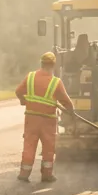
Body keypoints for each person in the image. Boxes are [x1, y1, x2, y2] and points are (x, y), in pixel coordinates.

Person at [15, 51, 76, 183]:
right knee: (48, 148)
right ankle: (47, 175)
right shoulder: (55, 82)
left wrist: (23, 100)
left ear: (41, 63)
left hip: (31, 119)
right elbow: (66, 101)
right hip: (48, 121)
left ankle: (24, 174)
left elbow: (18, 91)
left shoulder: (30, 77)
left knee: (29, 146)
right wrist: (72, 113)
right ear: (53, 65)